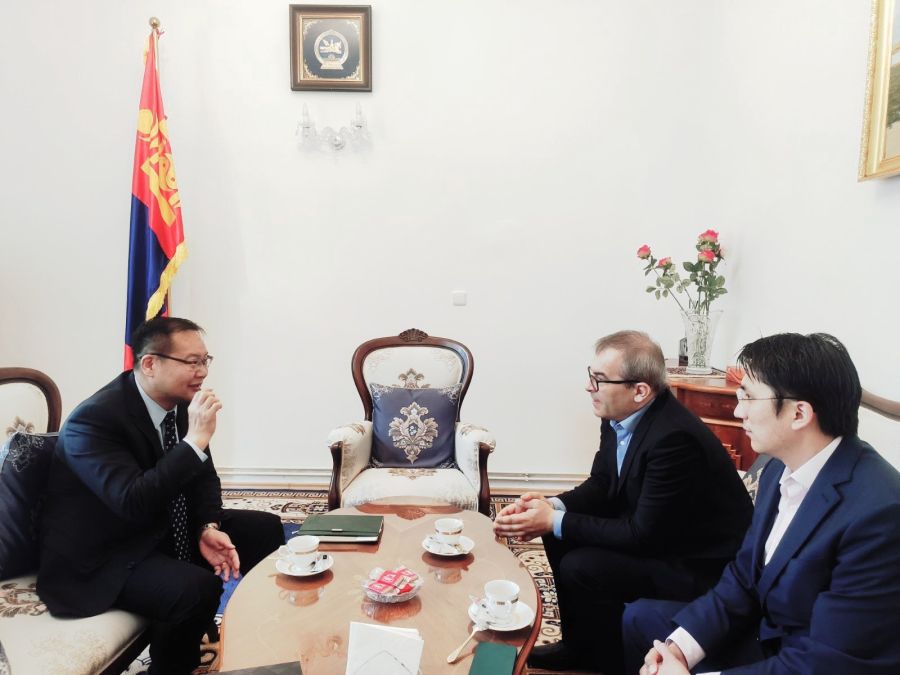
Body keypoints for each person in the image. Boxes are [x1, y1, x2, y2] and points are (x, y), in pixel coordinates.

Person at [625, 332, 900, 675]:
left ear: (799, 413)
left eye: (749, 397)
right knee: (640, 620)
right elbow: (744, 577)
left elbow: (829, 661)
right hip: (769, 634)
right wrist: (678, 649)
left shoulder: (880, 514)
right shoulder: (777, 468)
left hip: (815, 658)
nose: (738, 410)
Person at [493, 330, 753, 674]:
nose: (589, 387)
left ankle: (608, 661)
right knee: (558, 535)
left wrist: (553, 520)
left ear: (640, 390)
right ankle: (580, 647)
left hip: (698, 564)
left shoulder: (674, 439)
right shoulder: (618, 414)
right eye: (591, 376)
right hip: (659, 533)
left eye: (599, 380)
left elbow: (644, 535)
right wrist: (552, 507)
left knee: (581, 565)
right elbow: (603, 484)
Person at [37, 317, 285, 675]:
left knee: (265, 529)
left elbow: (203, 477)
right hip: (105, 553)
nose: (203, 372)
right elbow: (132, 501)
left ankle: (259, 643)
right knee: (193, 589)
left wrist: (207, 526)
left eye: (205, 360)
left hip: (160, 525)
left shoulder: (179, 403)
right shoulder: (93, 421)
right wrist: (194, 441)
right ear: (150, 363)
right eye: (192, 362)